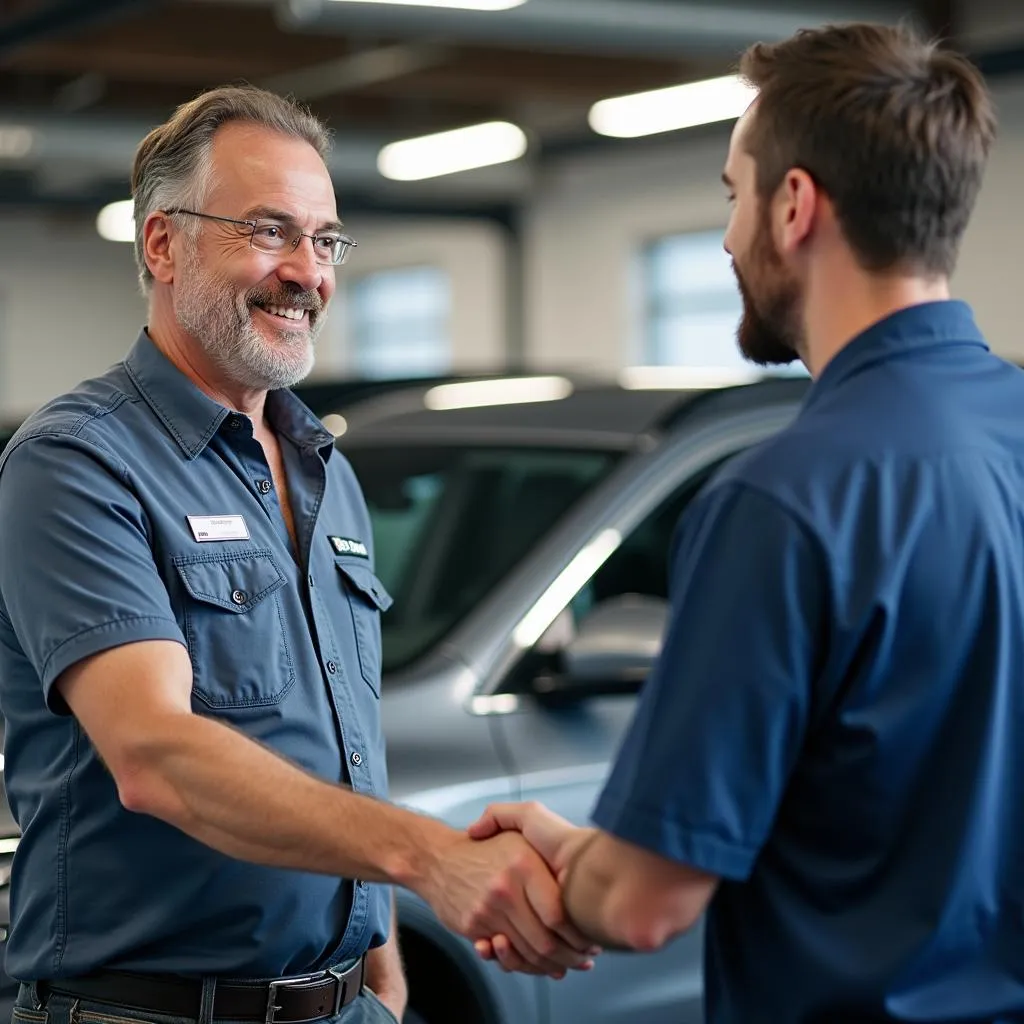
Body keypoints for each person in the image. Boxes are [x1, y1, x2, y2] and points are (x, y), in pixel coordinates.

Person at [0, 86, 594, 1024]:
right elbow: (155, 753)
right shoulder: (77, 464)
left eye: (325, 241)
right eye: (270, 231)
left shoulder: (325, 470)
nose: (306, 272)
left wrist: (380, 951)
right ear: (163, 244)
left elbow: (341, 744)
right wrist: (427, 857)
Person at [469, 20, 1024, 1024]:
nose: (728, 239)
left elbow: (646, 903)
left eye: (734, 195)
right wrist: (598, 846)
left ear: (795, 205)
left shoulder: (782, 500)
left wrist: (570, 879)